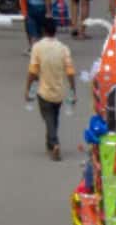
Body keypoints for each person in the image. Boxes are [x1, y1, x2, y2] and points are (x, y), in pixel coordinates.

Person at [25, 20, 75, 162]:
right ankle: (50, 143)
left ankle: (54, 144)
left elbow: (33, 72)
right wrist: (72, 90)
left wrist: (28, 89)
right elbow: (70, 72)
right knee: (53, 118)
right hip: (59, 92)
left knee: (48, 118)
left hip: (44, 91)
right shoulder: (63, 48)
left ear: (44, 31)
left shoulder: (37, 47)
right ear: (55, 31)